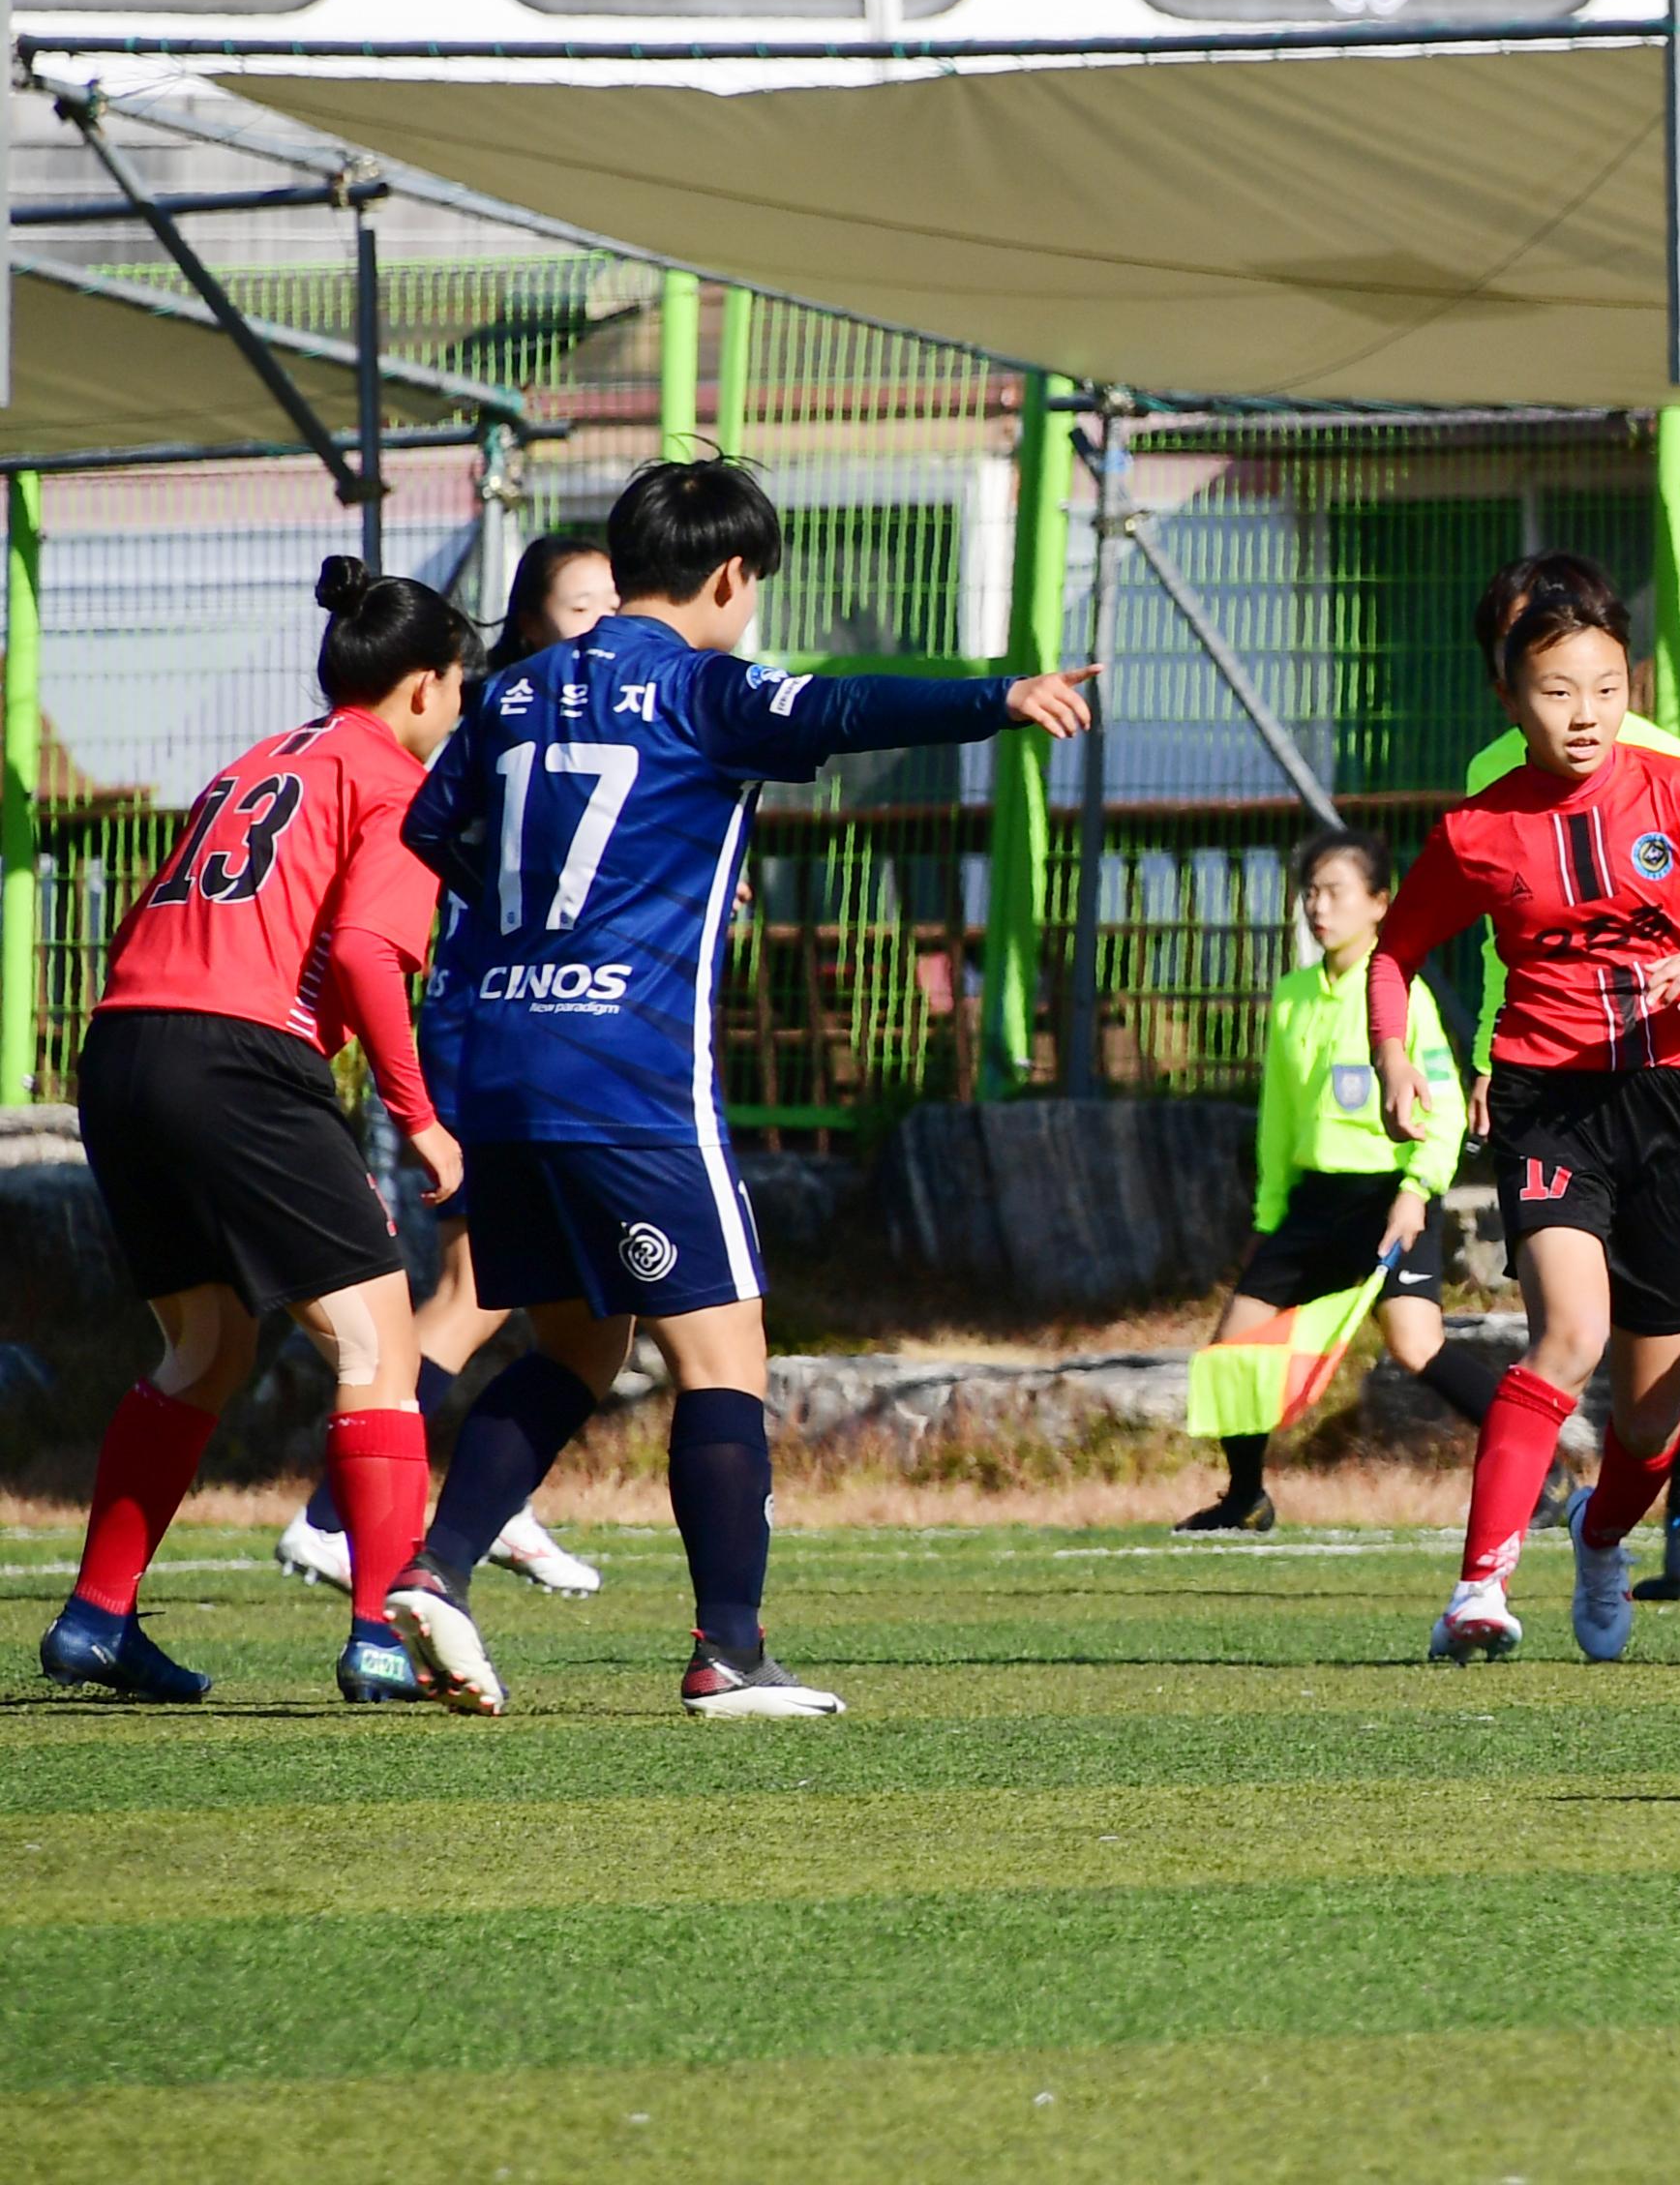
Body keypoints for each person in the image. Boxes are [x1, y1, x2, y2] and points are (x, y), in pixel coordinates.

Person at [383, 457, 1097, 1720]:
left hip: (499, 1064)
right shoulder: (705, 692)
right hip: (629, 1073)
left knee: (577, 1343)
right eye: (752, 586)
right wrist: (1002, 697)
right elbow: (843, 709)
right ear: (727, 577)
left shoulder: (515, 691)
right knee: (724, 1359)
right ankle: (730, 1651)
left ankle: (437, 1567)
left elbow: (433, 831)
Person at [1365, 554, 1680, 1663]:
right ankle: (1477, 1591)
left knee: (1651, 1416)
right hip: (1551, 1100)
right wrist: (1394, 1057)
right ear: (1512, 695)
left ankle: (1602, 1534)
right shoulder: (1478, 829)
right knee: (1567, 1333)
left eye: (1607, 687)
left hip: (1679, 1102)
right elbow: (1396, 948)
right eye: (1560, 690)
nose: (1586, 713)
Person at [39, 559, 470, 1705]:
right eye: (460, 683)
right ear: (425, 686)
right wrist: (417, 1117)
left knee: (209, 1344)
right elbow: (372, 957)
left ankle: (97, 1615)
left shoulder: (257, 761)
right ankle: (382, 1633)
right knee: (380, 1347)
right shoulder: (393, 782)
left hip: (125, 1046)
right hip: (238, 1058)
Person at [275, 534, 616, 1602]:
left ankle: (482, 1497)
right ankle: (338, 1509)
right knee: (476, 1288)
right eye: (582, 608)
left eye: (618, 605)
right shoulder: (507, 721)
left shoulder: (555, 719)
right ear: (522, 630)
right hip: (487, 1028)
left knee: (554, 1311)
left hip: (530, 1034)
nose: (606, 629)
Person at [1461, 553, 1680, 1599]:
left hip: (1677, 1063)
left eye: (1577, 652)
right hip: (1552, 1076)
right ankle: (1616, 1533)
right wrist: (1479, 1059)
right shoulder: (1487, 776)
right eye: (1529, 654)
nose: (1565, 686)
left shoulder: (1655, 756)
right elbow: (1496, 936)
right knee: (1575, 1319)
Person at [1185, 826, 1495, 1533]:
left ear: (1380, 902)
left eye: (1335, 893)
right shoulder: (1293, 996)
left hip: (1388, 1197)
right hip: (1313, 1205)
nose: (1318, 908)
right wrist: (1270, 1217)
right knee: (1234, 1349)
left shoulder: (1401, 996)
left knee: (1416, 1345)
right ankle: (1245, 1498)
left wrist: (1418, 1191)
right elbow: (1278, 1118)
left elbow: (1442, 1107)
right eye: (1310, 894)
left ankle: (1536, 1468)